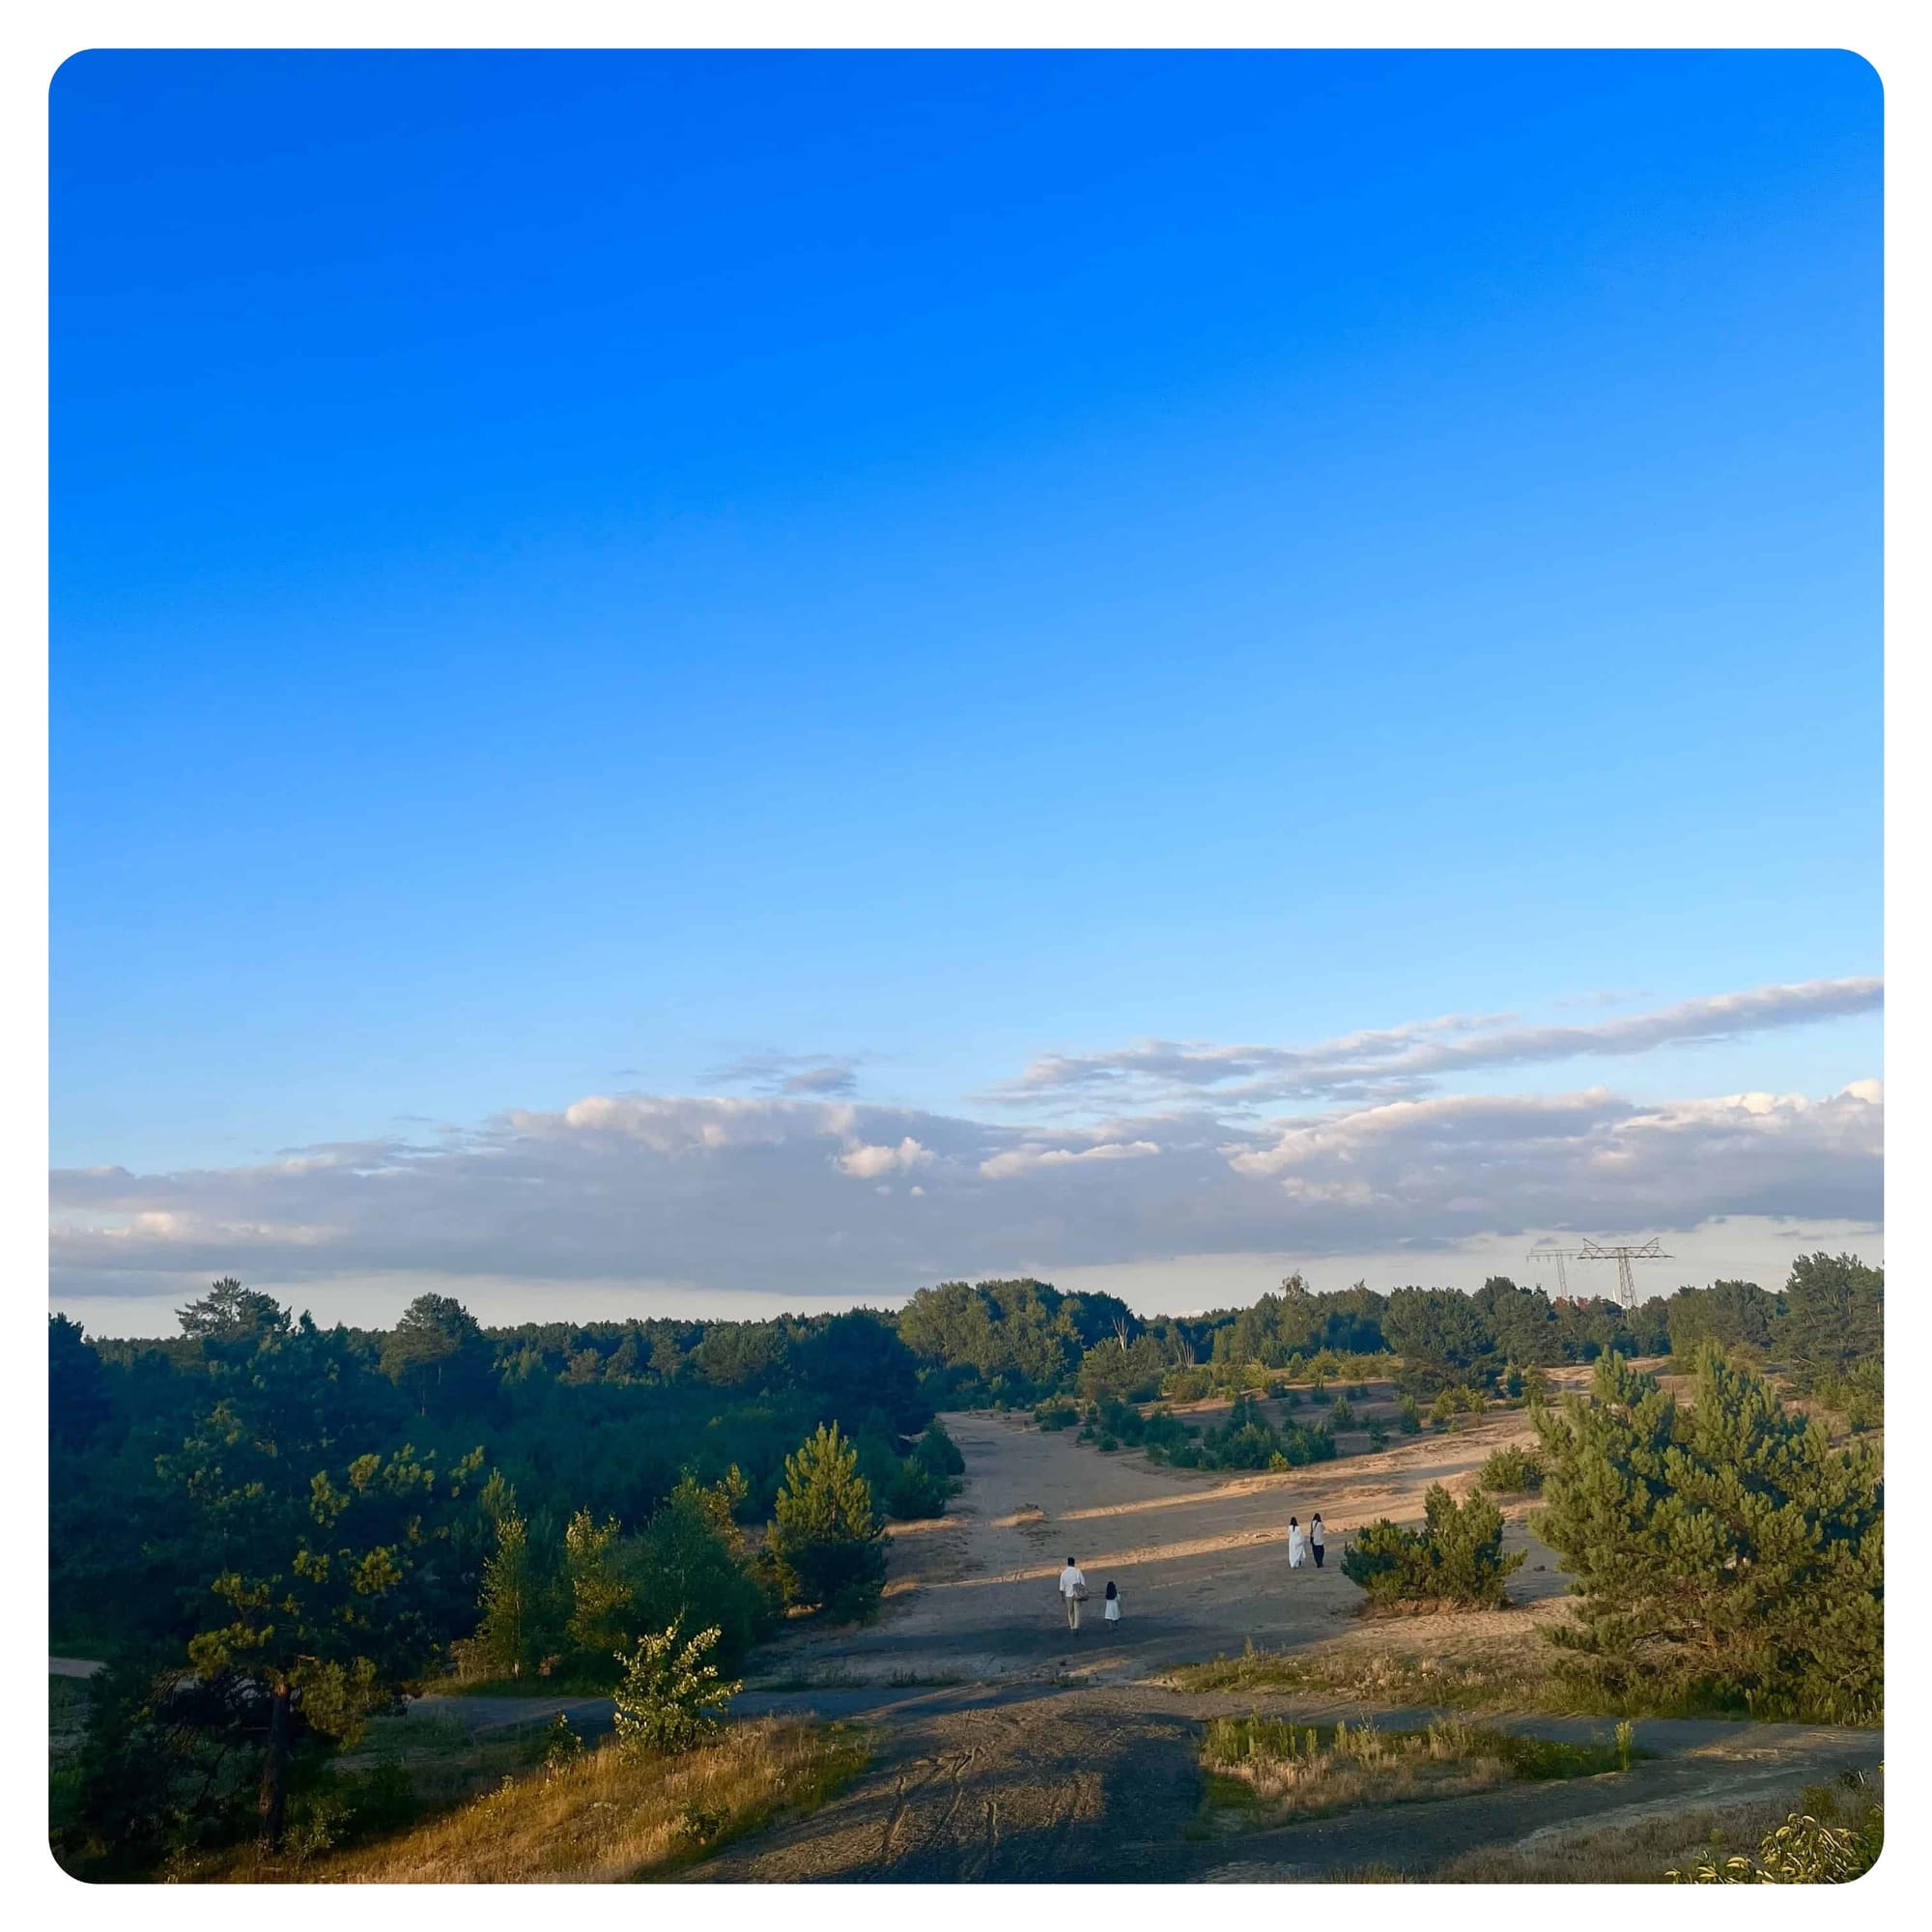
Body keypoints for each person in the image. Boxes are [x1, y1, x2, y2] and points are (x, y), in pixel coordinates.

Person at [1059, 1554, 1088, 1631]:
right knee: (1077, 1611)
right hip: (1077, 1594)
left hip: (1068, 1595)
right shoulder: (1078, 1571)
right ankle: (1076, 1627)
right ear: (1074, 1563)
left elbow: (1061, 1588)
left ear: (1067, 1563)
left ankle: (1071, 1626)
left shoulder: (1063, 1573)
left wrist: (1062, 1597)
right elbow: (1083, 1584)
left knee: (1070, 1611)